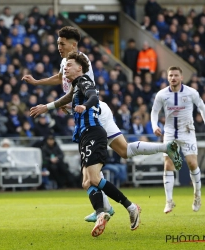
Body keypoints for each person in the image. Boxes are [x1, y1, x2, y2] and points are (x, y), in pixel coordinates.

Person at [22, 25, 182, 223]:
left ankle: (109, 207)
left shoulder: (81, 61)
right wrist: (38, 83)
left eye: (62, 43)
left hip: (93, 115)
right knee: (121, 152)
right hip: (93, 114)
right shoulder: (67, 63)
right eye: (57, 43)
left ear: (74, 45)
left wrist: (52, 106)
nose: (58, 47)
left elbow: (81, 92)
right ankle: (165, 148)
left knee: (91, 173)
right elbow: (61, 79)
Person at [30, 52, 141, 237]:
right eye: (65, 65)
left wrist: (85, 106)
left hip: (93, 133)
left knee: (94, 178)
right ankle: (101, 214)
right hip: (84, 136)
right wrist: (46, 107)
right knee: (86, 181)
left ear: (79, 68)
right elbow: (65, 100)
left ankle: (130, 207)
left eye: (69, 65)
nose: (65, 67)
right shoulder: (75, 87)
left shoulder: (84, 81)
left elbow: (93, 97)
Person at [151, 66, 204, 213]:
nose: (173, 78)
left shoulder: (191, 92)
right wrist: (154, 126)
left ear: (181, 77)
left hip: (187, 131)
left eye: (176, 75)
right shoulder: (161, 94)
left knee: (192, 163)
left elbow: (201, 106)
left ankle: (197, 195)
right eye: (170, 75)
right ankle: (169, 201)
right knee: (168, 165)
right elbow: (154, 111)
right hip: (169, 133)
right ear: (167, 78)